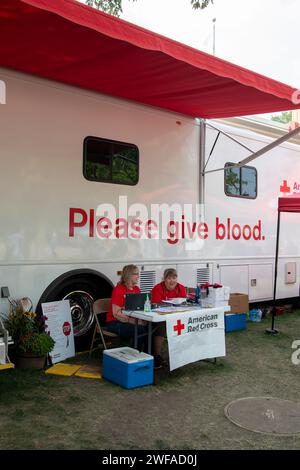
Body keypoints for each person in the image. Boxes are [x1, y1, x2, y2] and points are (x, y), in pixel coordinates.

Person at [106, 264, 165, 368]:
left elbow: (138, 309)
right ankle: (135, 359)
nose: (138, 276)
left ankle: (149, 357)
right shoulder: (119, 289)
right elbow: (116, 314)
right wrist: (135, 321)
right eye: (136, 274)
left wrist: (142, 319)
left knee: (151, 327)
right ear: (129, 275)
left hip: (131, 320)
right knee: (142, 329)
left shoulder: (136, 289)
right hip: (115, 322)